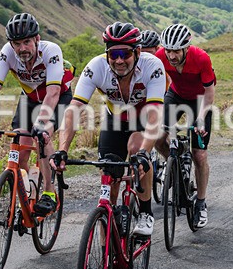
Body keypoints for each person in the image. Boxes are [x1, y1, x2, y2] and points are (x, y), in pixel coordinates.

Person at [51, 22, 166, 236]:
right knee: (109, 176)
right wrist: (62, 150)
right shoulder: (96, 67)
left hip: (144, 118)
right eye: (114, 54)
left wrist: (144, 153)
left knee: (135, 149)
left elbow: (155, 116)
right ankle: (106, 249)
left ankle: (145, 212)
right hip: (115, 119)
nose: (119, 60)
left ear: (138, 52)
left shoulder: (153, 66)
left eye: (125, 53)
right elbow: (74, 109)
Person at [0, 12, 74, 216]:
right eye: (17, 43)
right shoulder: (7, 53)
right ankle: (27, 192)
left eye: (27, 42)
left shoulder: (51, 51)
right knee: (21, 145)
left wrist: (40, 123)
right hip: (30, 98)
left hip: (58, 97)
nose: (22, 48)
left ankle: (49, 192)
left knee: (43, 136)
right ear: (11, 44)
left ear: (37, 39)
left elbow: (53, 92)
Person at [154, 23, 216, 228]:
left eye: (176, 51)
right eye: (168, 50)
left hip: (199, 100)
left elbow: (209, 95)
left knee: (199, 154)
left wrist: (199, 118)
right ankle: (173, 160)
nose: (171, 56)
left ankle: (201, 202)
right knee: (158, 136)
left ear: (186, 48)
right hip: (176, 95)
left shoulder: (201, 58)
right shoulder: (160, 56)